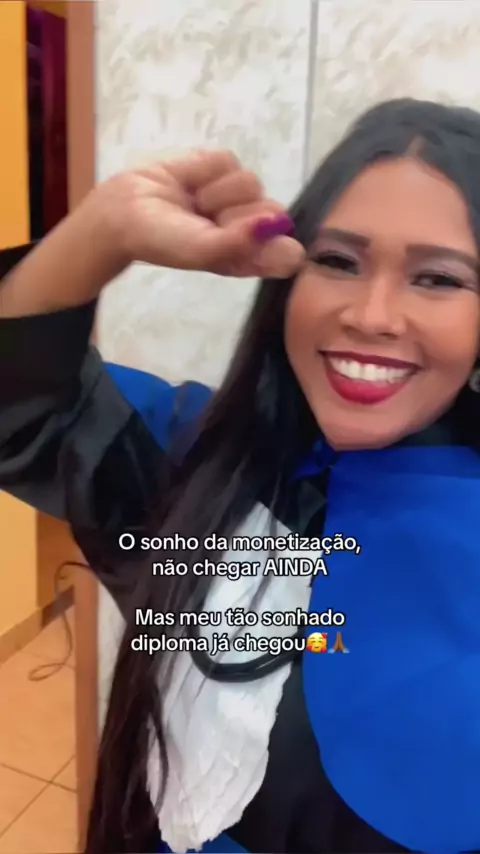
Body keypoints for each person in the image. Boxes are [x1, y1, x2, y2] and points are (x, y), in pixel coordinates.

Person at [1, 97, 480, 854]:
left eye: (438, 279)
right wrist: (103, 229)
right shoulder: (197, 458)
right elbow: (21, 405)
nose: (373, 314)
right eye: (337, 261)